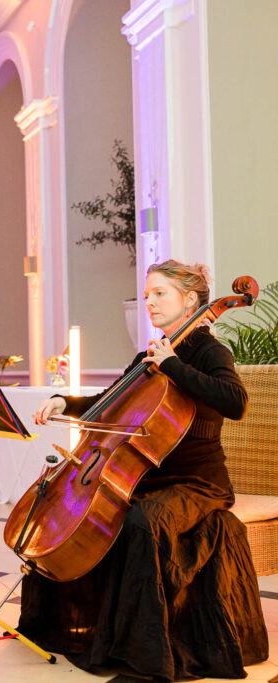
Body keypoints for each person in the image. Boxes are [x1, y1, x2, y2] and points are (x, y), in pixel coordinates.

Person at [19, 260, 269, 680]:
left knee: (140, 521)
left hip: (199, 483)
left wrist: (172, 364)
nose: (149, 302)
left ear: (189, 300)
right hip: (149, 474)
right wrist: (66, 402)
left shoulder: (210, 351)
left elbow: (235, 401)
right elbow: (108, 401)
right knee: (78, 512)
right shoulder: (148, 355)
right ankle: (82, 630)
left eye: (159, 293)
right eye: (148, 293)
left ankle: (144, 656)